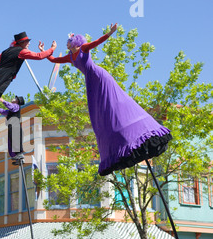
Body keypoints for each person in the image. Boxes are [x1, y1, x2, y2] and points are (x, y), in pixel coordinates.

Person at [41, 24, 172, 176]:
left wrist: (110, 33)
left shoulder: (83, 49)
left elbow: (97, 42)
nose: (67, 43)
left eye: (69, 40)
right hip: (91, 83)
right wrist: (46, 50)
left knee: (113, 102)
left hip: (100, 78)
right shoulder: (70, 57)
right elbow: (52, 59)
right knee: (98, 113)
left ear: (76, 42)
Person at [0, 32, 56, 131]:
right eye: (27, 42)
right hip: (3, 79)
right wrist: (52, 49)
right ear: (22, 42)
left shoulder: (6, 52)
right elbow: (39, 56)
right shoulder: (22, 52)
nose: (29, 43)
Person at [0, 96, 25, 164]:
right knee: (11, 141)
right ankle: (18, 158)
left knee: (15, 140)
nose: (13, 98)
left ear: (17, 101)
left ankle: (19, 154)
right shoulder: (11, 111)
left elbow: (11, 106)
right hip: (12, 126)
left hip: (15, 126)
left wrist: (3, 101)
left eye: (16, 98)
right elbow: (3, 111)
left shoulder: (16, 106)